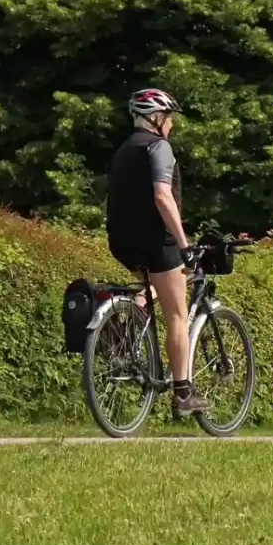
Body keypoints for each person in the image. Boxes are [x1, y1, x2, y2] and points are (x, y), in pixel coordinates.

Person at [105, 88, 210, 416]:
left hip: (121, 241)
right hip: (157, 241)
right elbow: (163, 197)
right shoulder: (158, 146)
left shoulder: (123, 150)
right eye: (169, 119)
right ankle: (183, 394)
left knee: (153, 288)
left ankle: (129, 320)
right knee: (177, 315)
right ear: (156, 119)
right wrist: (184, 245)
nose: (172, 126)